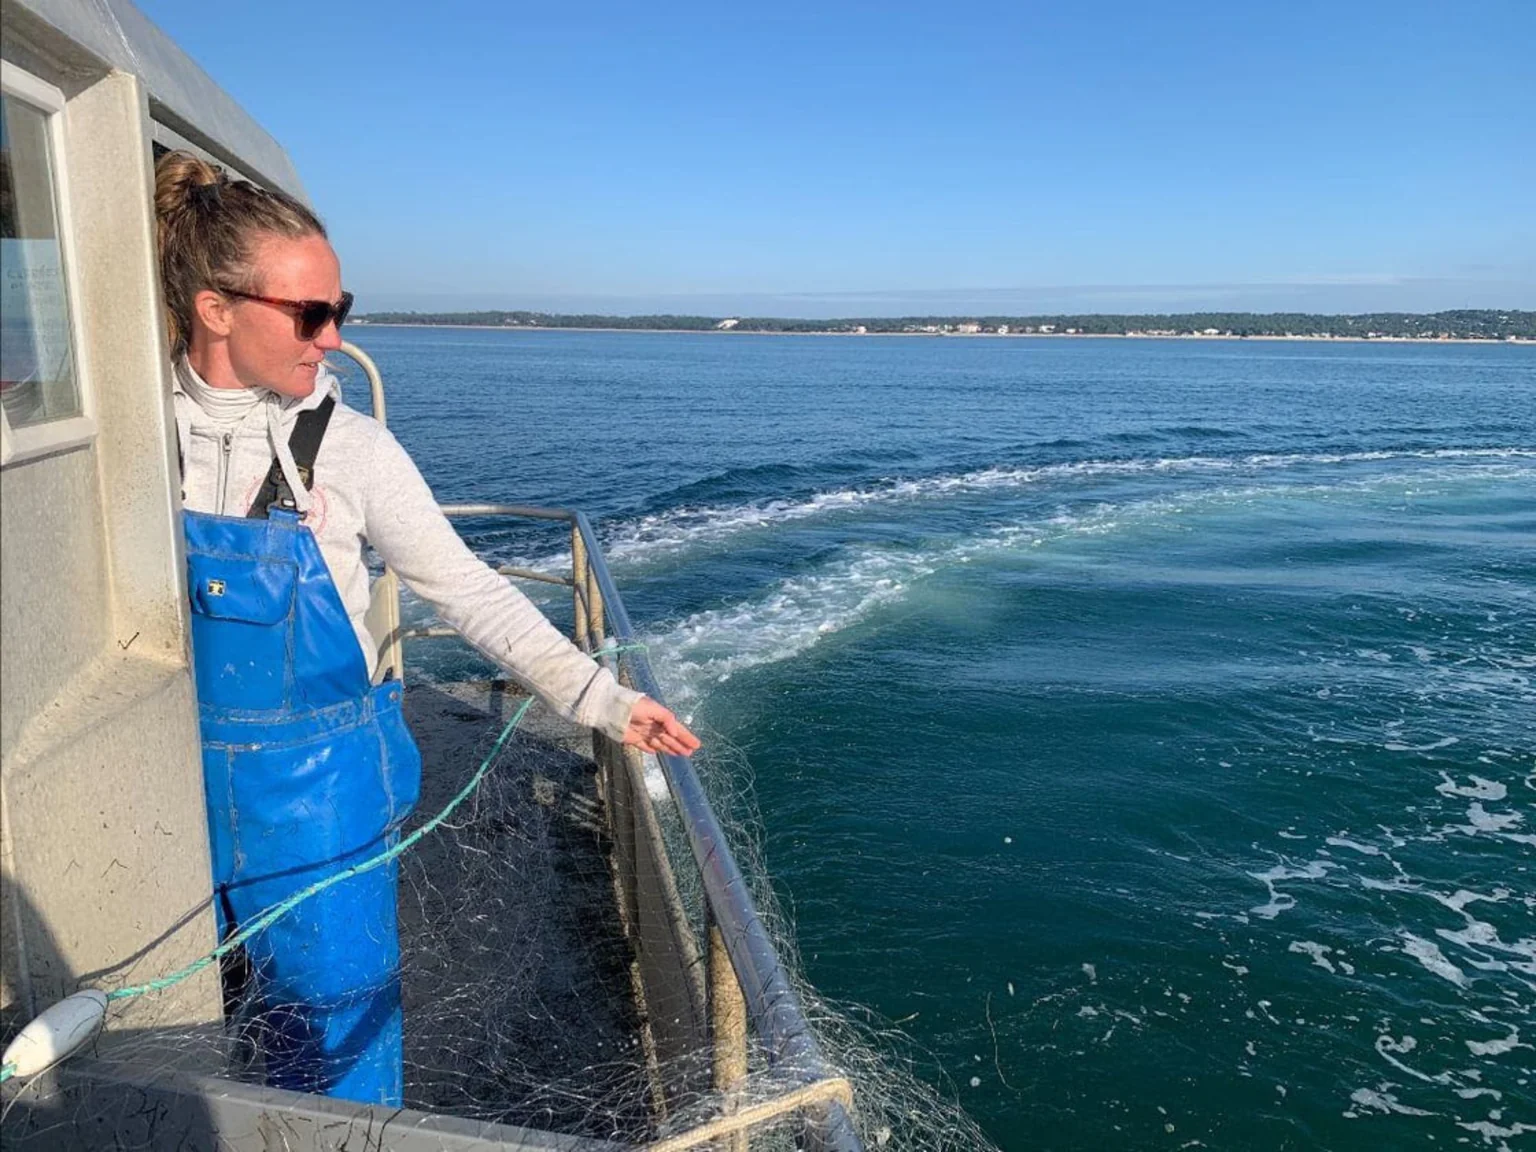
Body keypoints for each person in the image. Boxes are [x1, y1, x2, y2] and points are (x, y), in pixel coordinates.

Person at [154, 150, 698, 1106]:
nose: (331, 338)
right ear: (214, 308)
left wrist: (605, 702)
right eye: (309, 314)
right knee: (178, 1032)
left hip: (319, 799)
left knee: (334, 1040)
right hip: (161, 780)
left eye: (340, 309)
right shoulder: (129, 433)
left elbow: (471, 592)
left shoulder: (352, 449)